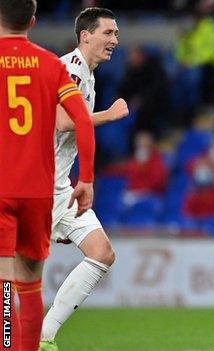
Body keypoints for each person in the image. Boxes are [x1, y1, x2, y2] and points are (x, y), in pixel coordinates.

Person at [0, 0, 96, 350]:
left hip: (1, 187)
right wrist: (85, 179)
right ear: (33, 20)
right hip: (39, 190)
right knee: (30, 285)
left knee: (3, 283)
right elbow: (82, 120)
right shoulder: (48, 63)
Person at [39, 7, 128, 351]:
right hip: (41, 186)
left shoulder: (86, 74)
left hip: (61, 187)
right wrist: (109, 114)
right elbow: (63, 121)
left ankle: (44, 336)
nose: (115, 41)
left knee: (101, 253)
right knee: (20, 272)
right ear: (85, 35)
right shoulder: (72, 69)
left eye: (116, 34)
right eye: (108, 33)